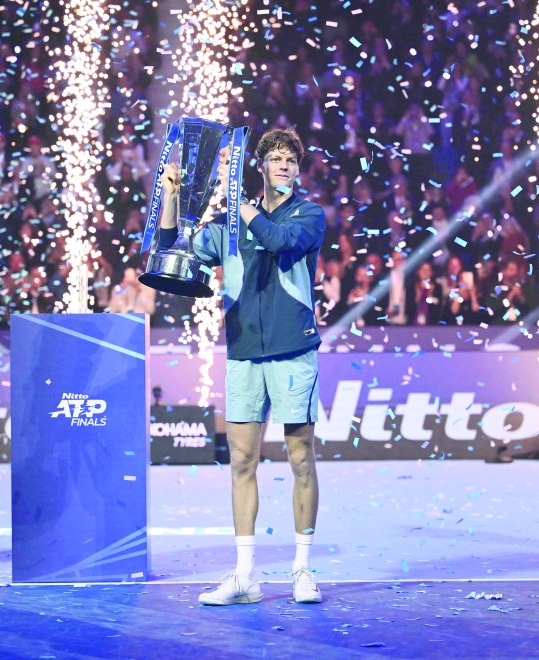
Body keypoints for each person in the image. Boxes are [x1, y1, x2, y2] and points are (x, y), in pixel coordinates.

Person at [156, 128, 325, 605]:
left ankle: (302, 569)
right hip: (244, 353)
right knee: (242, 461)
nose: (284, 165)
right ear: (262, 166)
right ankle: (245, 575)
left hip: (293, 351)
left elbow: (277, 241)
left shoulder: (309, 215)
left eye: (291, 159)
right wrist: (172, 198)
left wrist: (236, 199)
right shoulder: (229, 224)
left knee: (300, 458)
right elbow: (174, 250)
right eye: (275, 158)